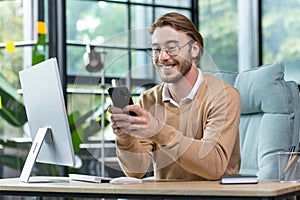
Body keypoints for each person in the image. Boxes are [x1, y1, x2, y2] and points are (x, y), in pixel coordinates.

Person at [108, 12, 241, 181]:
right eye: (156, 49)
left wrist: (158, 130)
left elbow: (214, 166)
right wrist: (126, 138)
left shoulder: (224, 96)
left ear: (194, 49)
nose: (162, 57)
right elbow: (136, 171)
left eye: (171, 48)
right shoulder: (149, 99)